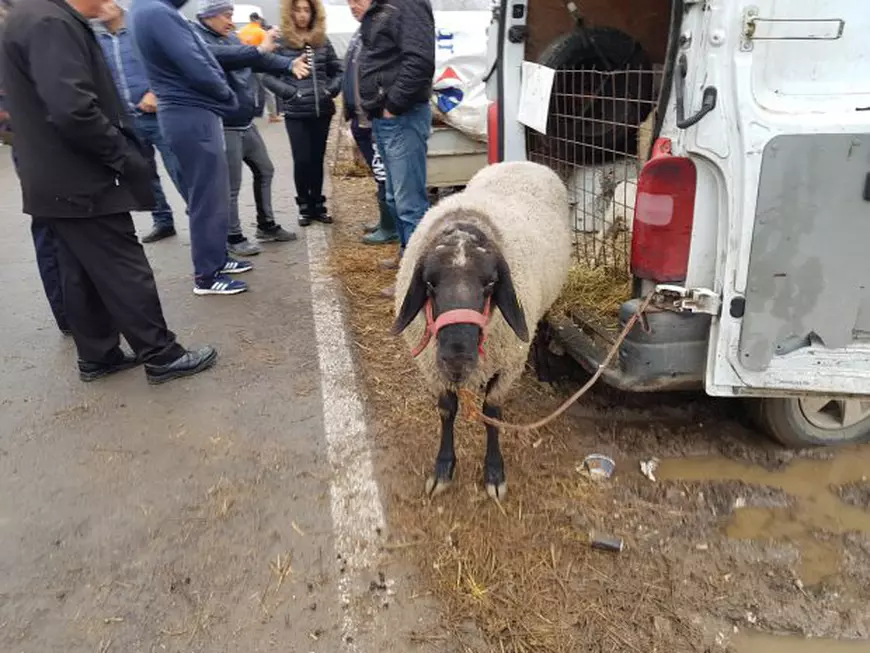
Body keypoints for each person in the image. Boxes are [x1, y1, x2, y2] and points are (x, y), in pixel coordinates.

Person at [1, 0, 217, 384]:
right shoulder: (51, 21)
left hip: (52, 176)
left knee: (79, 269)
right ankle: (162, 354)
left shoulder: (32, 15)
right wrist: (124, 157)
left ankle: (98, 355)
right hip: (79, 175)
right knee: (122, 265)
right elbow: (73, 109)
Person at [129, 0, 252, 296]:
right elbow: (194, 61)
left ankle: (217, 259)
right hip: (189, 111)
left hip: (188, 111)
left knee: (213, 192)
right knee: (206, 196)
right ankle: (207, 276)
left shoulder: (146, 10)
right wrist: (225, 93)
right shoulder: (156, 11)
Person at [193, 0, 298, 255]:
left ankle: (267, 225)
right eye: (226, 16)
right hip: (224, 125)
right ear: (209, 16)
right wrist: (257, 50)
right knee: (231, 186)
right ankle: (233, 236)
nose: (230, 21)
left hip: (246, 123)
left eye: (231, 15)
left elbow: (256, 60)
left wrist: (288, 64)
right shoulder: (197, 39)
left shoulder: (230, 37)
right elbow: (225, 57)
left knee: (265, 170)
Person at [358, 0, 435, 297]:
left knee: (409, 202)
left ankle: (417, 280)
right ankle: (408, 255)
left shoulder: (407, 4)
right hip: (387, 117)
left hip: (402, 116)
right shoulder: (385, 7)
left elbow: (420, 60)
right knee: (394, 197)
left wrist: (394, 104)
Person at [95, 0, 185, 244]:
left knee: (179, 168)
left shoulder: (139, 30)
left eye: (106, 2)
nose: (100, 7)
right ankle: (163, 220)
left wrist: (155, 91)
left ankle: (198, 216)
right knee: (144, 173)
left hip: (158, 114)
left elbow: (166, 63)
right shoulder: (96, 40)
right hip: (126, 119)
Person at [263, 0, 342, 227]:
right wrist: (290, 93)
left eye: (307, 10)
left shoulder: (322, 41)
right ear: (290, 12)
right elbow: (267, 76)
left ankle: (318, 204)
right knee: (302, 159)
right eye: (297, 10)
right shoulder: (281, 41)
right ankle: (304, 206)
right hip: (297, 111)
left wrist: (329, 90)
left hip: (322, 110)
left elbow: (338, 70)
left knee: (317, 160)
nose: (302, 15)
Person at [342, 0, 397, 246]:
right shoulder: (358, 33)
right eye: (349, 1)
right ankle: (384, 219)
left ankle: (390, 226)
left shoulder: (379, 31)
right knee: (378, 173)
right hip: (359, 116)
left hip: (373, 116)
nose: (353, 6)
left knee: (383, 172)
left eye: (358, 0)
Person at [238, 12, 284, 123]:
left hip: (244, 63)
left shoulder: (242, 31)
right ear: (258, 20)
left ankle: (249, 113)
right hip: (259, 65)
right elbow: (269, 47)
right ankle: (273, 115)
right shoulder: (261, 32)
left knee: (251, 90)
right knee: (268, 90)